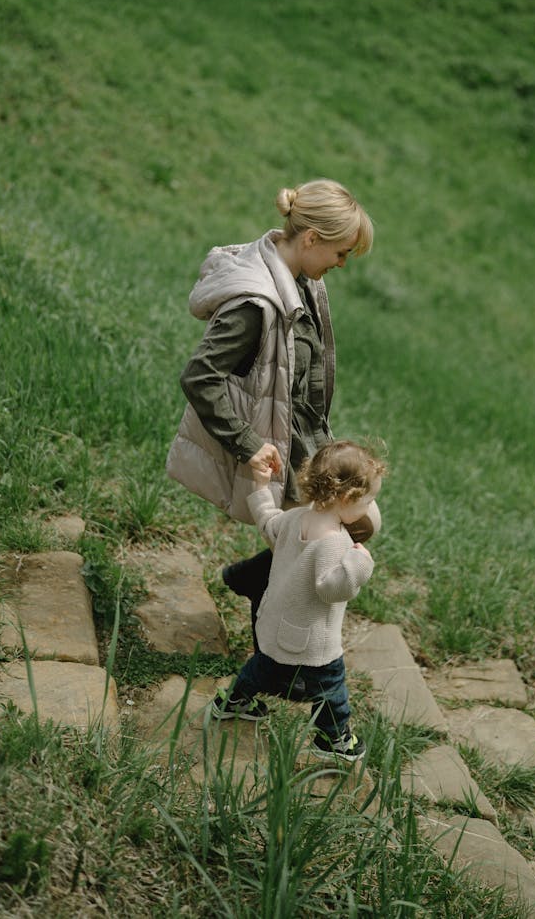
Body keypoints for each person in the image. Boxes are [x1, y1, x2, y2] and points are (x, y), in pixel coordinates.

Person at [166, 179, 379, 644]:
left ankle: (254, 580)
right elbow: (200, 377)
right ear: (311, 238)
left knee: (359, 520)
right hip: (275, 442)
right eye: (341, 253)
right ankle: (275, 646)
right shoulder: (254, 306)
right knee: (327, 535)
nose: (342, 264)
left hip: (304, 434)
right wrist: (247, 445)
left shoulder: (303, 277)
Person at [211, 440, 385, 762]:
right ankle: (333, 739)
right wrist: (360, 565)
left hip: (275, 622)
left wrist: (261, 486)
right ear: (347, 498)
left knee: (261, 668)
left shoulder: (296, 518)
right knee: (332, 688)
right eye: (368, 500)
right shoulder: (335, 542)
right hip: (309, 641)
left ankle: (231, 702)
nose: (370, 509)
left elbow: (267, 521)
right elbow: (331, 589)